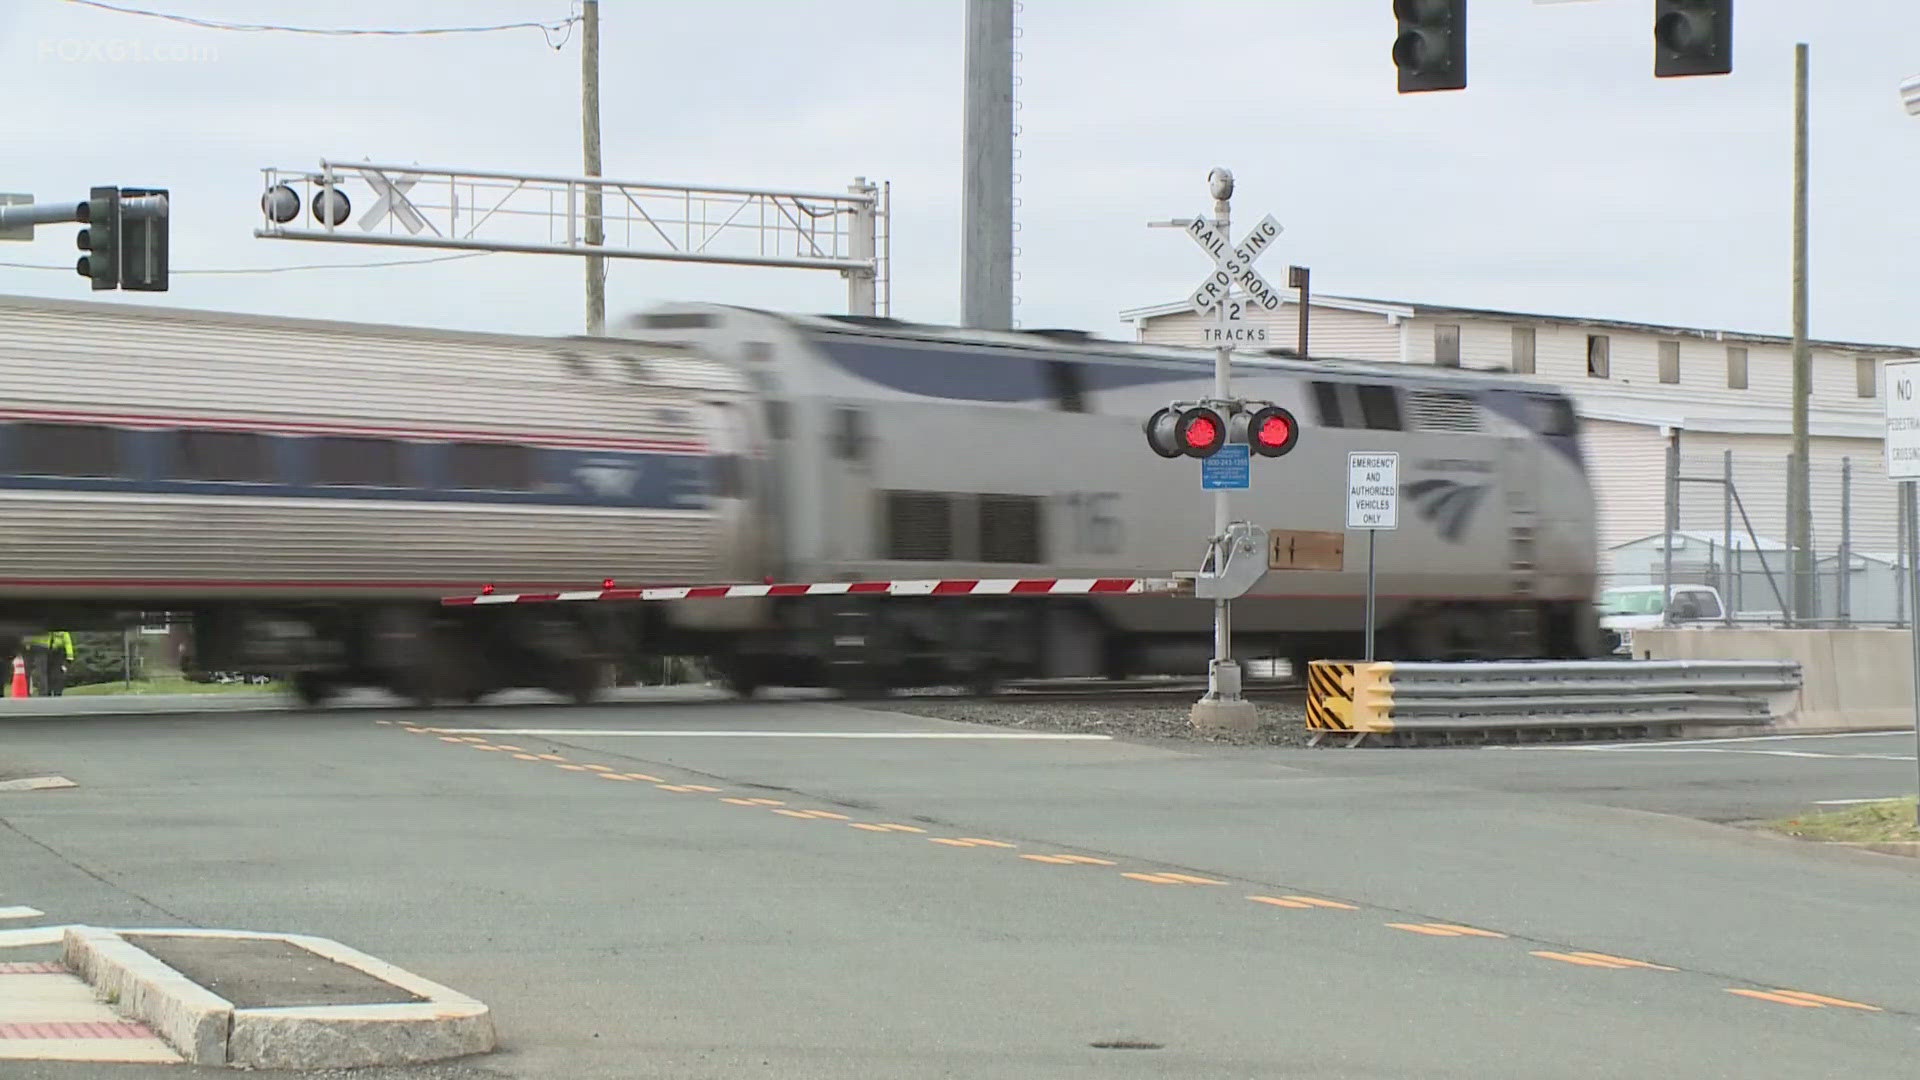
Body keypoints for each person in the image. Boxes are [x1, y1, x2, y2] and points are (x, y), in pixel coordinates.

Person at [22, 631, 74, 696]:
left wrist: (69, 656)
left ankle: (51, 692)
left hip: (53, 650)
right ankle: (46, 692)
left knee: (51, 673)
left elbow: (67, 642)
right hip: (45, 647)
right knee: (44, 672)